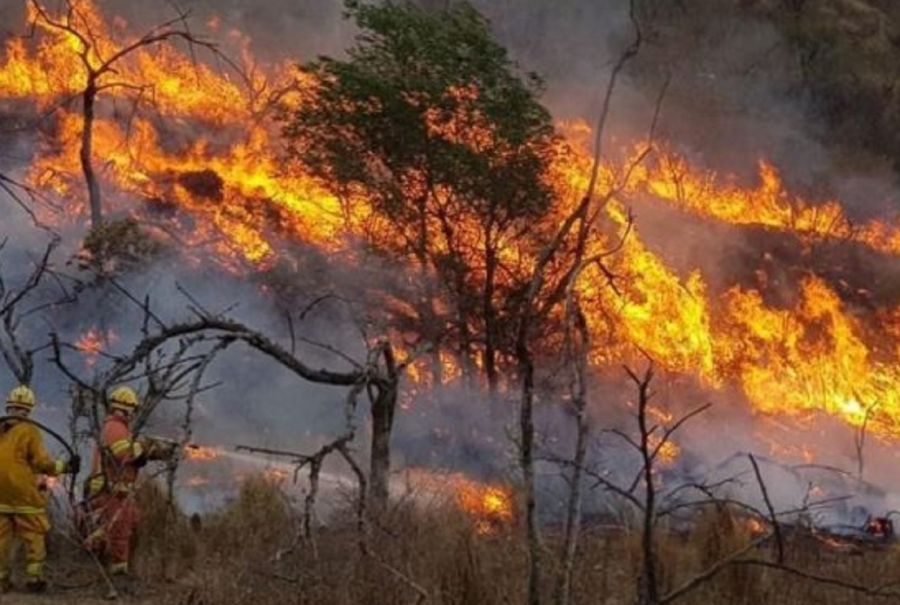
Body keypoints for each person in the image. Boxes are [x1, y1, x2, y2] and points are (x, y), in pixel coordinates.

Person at [84, 386, 174, 577]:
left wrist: (152, 453)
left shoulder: (119, 427)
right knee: (120, 527)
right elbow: (123, 453)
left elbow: (131, 455)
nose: (133, 414)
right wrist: (144, 446)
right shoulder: (115, 427)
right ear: (127, 408)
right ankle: (118, 568)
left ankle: (100, 549)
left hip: (119, 489)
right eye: (133, 409)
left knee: (130, 520)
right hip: (113, 488)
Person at [0, 385, 79, 593]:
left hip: (0, 496)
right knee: (33, 532)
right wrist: (66, 467)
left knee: (2, 538)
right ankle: (34, 578)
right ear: (29, 410)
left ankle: (2, 580)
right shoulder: (29, 430)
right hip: (23, 494)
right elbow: (42, 463)